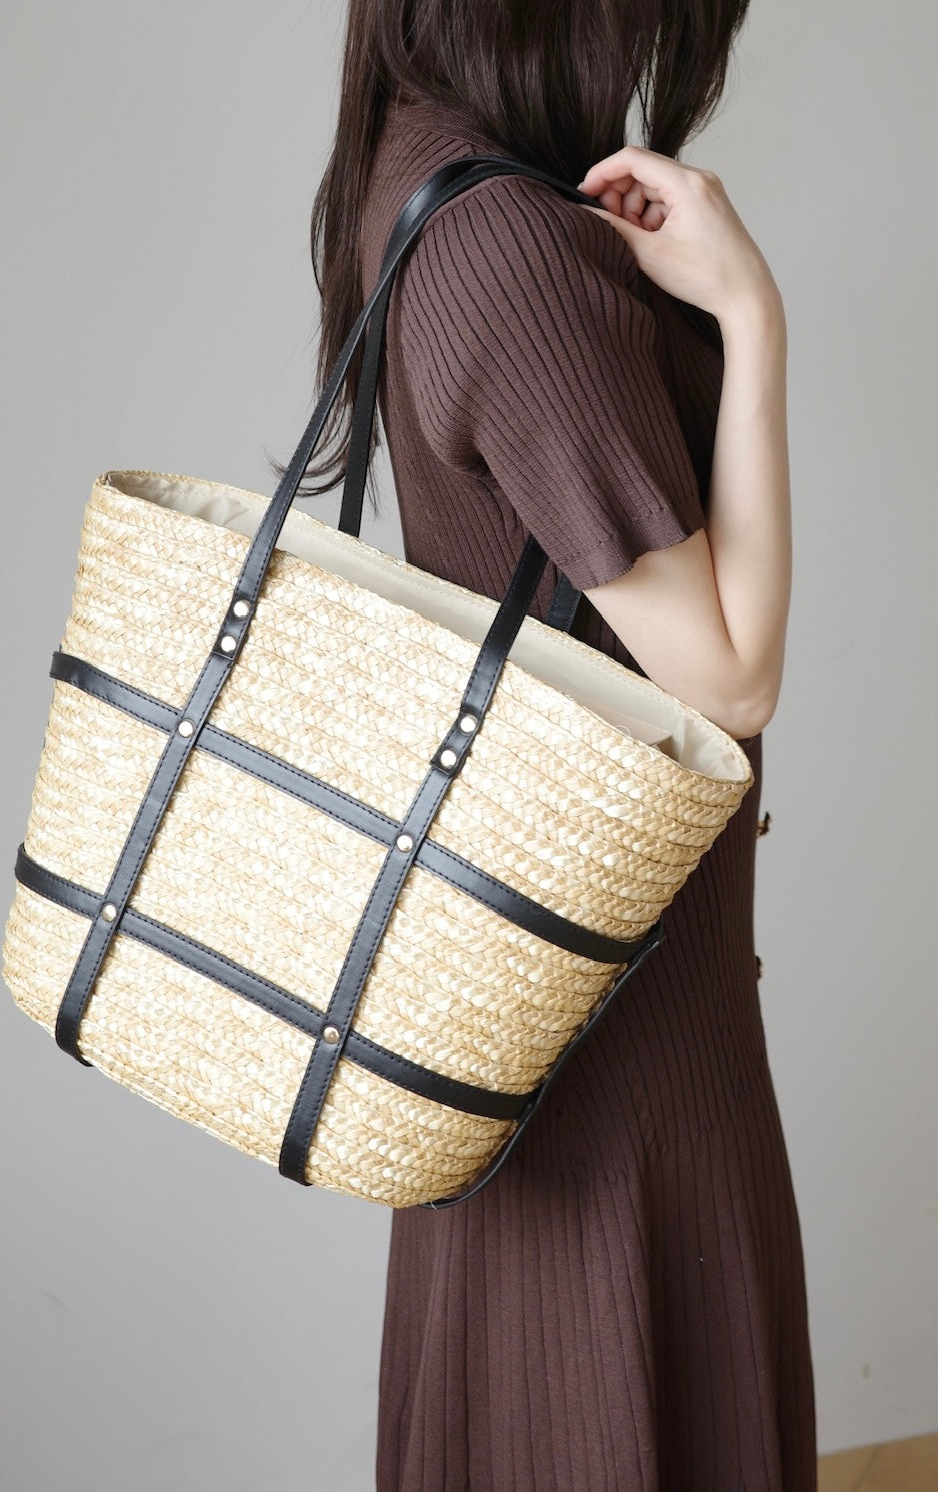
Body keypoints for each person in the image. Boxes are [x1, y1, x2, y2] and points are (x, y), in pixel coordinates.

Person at [278, 2, 812, 1487]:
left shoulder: (413, 166)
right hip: (616, 1031)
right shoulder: (508, 251)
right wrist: (753, 317)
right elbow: (731, 678)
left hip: (535, 998)